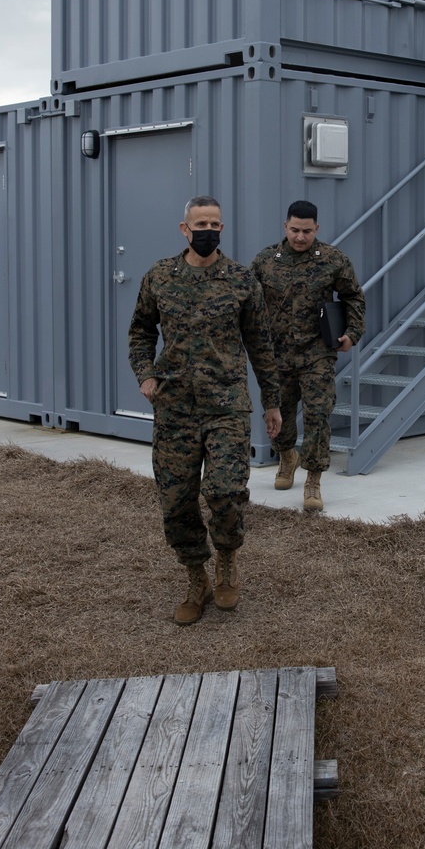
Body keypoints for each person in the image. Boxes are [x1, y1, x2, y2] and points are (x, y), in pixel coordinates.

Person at [128, 196, 282, 625]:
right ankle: (197, 577)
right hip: (174, 406)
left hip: (226, 406)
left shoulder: (240, 279)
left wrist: (272, 403)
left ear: (222, 228)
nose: (207, 230)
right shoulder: (159, 276)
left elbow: (261, 345)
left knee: (225, 491)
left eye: (215, 223)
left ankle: (227, 560)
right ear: (184, 228)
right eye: (200, 223)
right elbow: (141, 329)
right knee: (176, 501)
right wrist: (145, 373)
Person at [251, 201, 366, 513]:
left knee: (318, 414)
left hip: (317, 351)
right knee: (278, 414)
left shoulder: (332, 259)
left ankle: (313, 479)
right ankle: (287, 455)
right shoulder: (264, 261)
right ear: (284, 226)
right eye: (294, 230)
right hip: (277, 353)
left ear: (317, 229)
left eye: (306, 231)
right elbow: (249, 303)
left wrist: (352, 332)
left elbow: (353, 295)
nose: (300, 237)